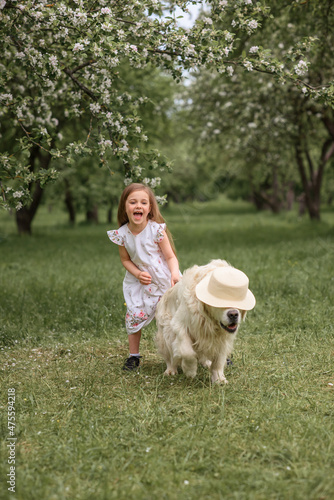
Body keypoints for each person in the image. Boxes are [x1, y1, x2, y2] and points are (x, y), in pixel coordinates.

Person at [107, 183, 181, 371]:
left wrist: (174, 273)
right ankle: (134, 356)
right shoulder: (122, 235)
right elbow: (125, 260)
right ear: (125, 207)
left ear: (149, 209)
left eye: (143, 202)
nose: (138, 206)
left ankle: (199, 352)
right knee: (133, 316)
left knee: (176, 316)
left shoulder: (156, 230)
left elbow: (170, 256)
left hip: (163, 279)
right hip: (139, 282)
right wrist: (138, 273)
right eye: (132, 202)